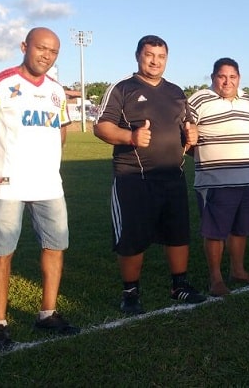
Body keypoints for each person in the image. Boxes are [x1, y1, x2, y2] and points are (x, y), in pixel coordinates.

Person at [0, 27, 80, 353]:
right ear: (24, 46)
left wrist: (48, 163)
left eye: (53, 51)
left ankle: (47, 313)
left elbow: (61, 130)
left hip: (49, 185)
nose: (47, 55)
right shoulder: (0, 84)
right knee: (2, 253)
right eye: (41, 48)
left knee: (55, 245)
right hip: (7, 187)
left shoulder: (56, 91)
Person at [94, 35, 206, 314]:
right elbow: (101, 126)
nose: (155, 61)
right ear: (138, 56)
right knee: (132, 237)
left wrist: (192, 134)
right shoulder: (122, 88)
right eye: (149, 55)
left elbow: (189, 127)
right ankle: (130, 292)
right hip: (134, 178)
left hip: (173, 176)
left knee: (178, 233)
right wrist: (130, 136)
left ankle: (179, 285)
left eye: (161, 56)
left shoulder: (176, 92)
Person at [188, 58, 249, 297]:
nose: (227, 81)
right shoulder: (199, 100)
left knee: (241, 229)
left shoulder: (248, 100)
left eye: (232, 77)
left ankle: (238, 271)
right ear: (213, 77)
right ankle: (216, 279)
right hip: (216, 181)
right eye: (222, 76)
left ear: (239, 78)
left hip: (248, 179)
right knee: (215, 231)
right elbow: (186, 135)